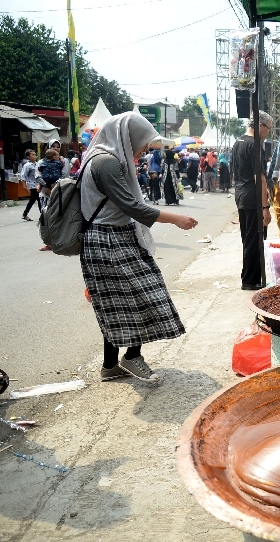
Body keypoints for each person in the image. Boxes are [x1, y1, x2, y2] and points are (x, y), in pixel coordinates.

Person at [78, 112, 198, 383]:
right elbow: (132, 207)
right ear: (127, 137)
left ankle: (110, 366)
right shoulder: (106, 163)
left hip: (111, 238)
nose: (145, 149)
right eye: (143, 142)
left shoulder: (99, 157)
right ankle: (131, 357)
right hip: (109, 241)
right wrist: (176, 218)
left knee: (116, 305)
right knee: (141, 299)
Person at [232, 111, 273, 290]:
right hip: (253, 198)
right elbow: (260, 178)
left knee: (247, 239)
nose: (268, 133)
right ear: (260, 126)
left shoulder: (238, 142)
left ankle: (248, 276)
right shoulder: (255, 145)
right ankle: (251, 280)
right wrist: (265, 206)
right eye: (268, 129)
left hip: (241, 195)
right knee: (255, 239)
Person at [20, 149, 40, 221]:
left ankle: (25, 214)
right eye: (33, 155)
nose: (35, 156)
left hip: (38, 184)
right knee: (39, 199)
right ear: (28, 157)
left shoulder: (37, 164)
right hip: (32, 185)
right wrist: (24, 186)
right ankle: (43, 215)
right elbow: (23, 176)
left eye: (35, 154)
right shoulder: (27, 166)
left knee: (32, 200)